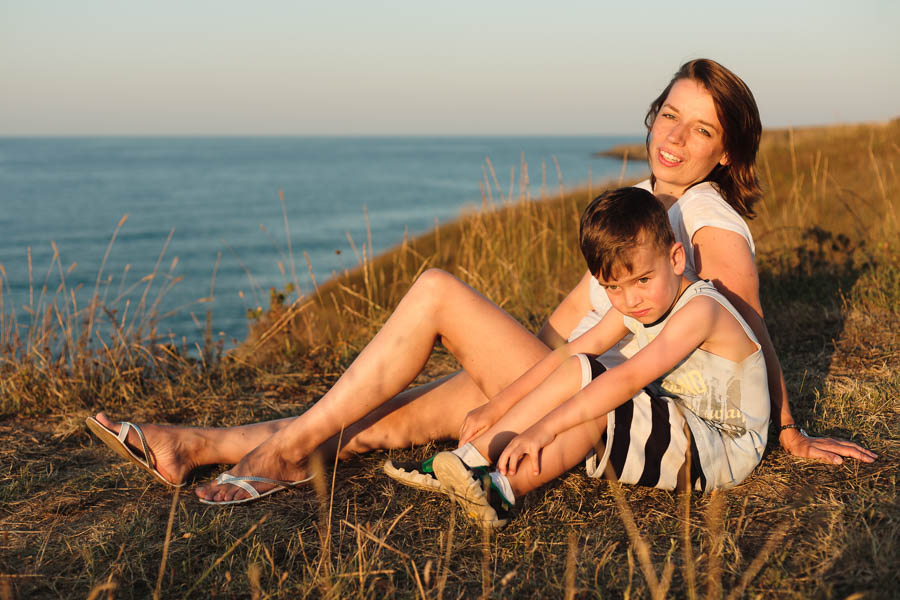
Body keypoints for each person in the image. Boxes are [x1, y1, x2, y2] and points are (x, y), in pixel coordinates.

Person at [86, 59, 876, 506]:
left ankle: (279, 453)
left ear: (727, 153)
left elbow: (748, 321)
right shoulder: (653, 208)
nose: (673, 136)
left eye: (700, 128)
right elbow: (588, 318)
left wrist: (786, 431)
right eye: (669, 114)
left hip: (600, 389)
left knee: (432, 290)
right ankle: (193, 446)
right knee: (382, 419)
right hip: (551, 365)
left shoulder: (703, 216)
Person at [423, 186, 769, 528]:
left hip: (723, 446)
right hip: (681, 418)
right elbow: (569, 353)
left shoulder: (701, 310)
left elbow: (627, 379)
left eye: (642, 280)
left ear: (676, 259)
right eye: (613, 288)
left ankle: (502, 490)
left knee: (600, 403)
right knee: (581, 370)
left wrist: (543, 428)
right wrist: (496, 406)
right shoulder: (641, 304)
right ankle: (470, 458)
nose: (630, 300)